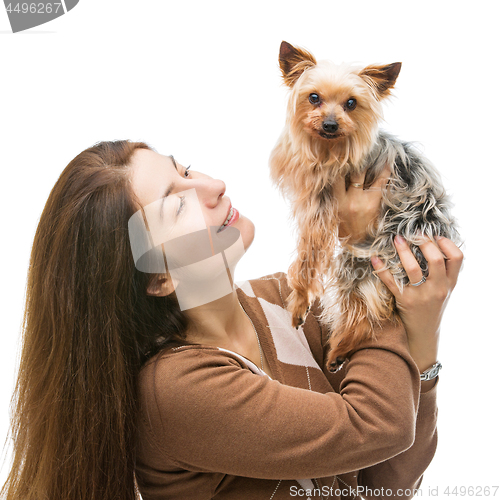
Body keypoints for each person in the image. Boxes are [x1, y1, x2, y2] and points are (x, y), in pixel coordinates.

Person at [1, 140, 462, 500]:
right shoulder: (176, 388)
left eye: (184, 169)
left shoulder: (289, 299)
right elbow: (376, 424)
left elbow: (385, 480)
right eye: (177, 205)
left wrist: (422, 339)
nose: (213, 185)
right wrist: (364, 246)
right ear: (158, 278)